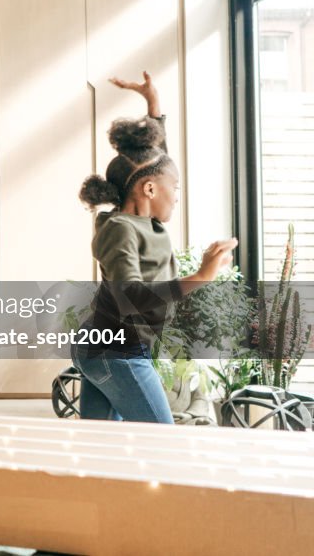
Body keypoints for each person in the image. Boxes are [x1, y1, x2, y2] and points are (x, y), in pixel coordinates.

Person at [73, 72, 237, 423]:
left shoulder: (145, 219)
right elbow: (128, 295)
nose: (177, 195)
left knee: (100, 447)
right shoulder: (120, 229)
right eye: (174, 187)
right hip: (116, 351)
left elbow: (156, 159)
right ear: (149, 190)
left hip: (107, 347)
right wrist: (200, 277)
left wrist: (153, 103)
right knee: (160, 438)